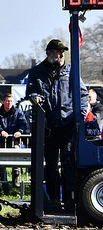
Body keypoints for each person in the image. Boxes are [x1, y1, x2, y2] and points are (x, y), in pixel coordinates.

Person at [26, 39, 88, 209]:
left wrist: (80, 116)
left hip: (67, 124)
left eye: (63, 52)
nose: (61, 55)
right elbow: (31, 92)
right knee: (51, 166)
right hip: (48, 127)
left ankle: (69, 200)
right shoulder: (36, 72)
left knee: (69, 164)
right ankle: (53, 199)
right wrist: (34, 98)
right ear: (49, 53)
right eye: (58, 52)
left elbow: (83, 95)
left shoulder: (71, 71)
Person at [0, 93, 28, 194]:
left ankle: (16, 182)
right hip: (2, 141)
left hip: (15, 140)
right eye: (7, 101)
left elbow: (23, 124)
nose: (9, 103)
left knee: (16, 161)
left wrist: (20, 131)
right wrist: (1, 131)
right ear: (3, 101)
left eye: (11, 101)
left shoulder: (18, 112)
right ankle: (5, 186)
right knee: (2, 165)